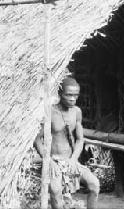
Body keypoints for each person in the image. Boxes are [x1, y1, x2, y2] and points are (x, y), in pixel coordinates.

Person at [34, 77, 99, 209]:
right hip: (54, 161)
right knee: (55, 190)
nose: (72, 99)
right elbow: (36, 139)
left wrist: (74, 159)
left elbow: (80, 139)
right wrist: (48, 161)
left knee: (94, 185)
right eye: (68, 95)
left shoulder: (77, 112)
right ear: (59, 94)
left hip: (71, 161)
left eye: (76, 95)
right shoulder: (50, 112)